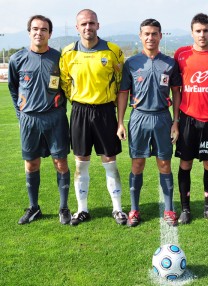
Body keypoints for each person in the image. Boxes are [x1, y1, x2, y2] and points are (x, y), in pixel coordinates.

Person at [59, 9, 127, 226]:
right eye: (83, 24)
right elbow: (65, 83)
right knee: (81, 163)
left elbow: (119, 83)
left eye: (91, 23)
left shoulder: (113, 51)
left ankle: (117, 209)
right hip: (80, 111)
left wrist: (117, 117)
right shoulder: (68, 53)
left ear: (98, 25)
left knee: (110, 162)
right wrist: (79, 101)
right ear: (77, 27)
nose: (88, 27)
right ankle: (82, 209)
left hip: (105, 111)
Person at [117, 18, 182, 227]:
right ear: (140, 36)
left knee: (164, 163)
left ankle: (170, 209)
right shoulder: (132, 63)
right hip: (138, 118)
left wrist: (176, 122)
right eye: (146, 34)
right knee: (137, 164)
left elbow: (176, 93)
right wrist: (120, 122)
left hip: (163, 117)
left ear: (160, 36)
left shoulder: (170, 63)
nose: (150, 37)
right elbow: (123, 93)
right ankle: (134, 209)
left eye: (154, 34)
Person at [8, 15, 71, 225]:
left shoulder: (59, 58)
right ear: (29, 32)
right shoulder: (17, 59)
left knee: (60, 162)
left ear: (50, 34)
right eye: (35, 29)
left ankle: (63, 208)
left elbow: (67, 87)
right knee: (31, 163)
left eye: (43, 29)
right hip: (29, 120)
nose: (39, 33)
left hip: (55, 119)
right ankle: (34, 207)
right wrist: (20, 116)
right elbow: (14, 89)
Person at [174, 13, 208, 224]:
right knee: (185, 163)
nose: (202, 34)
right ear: (192, 32)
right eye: (198, 31)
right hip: (188, 118)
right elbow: (175, 85)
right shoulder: (181, 54)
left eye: (206, 30)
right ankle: (186, 209)